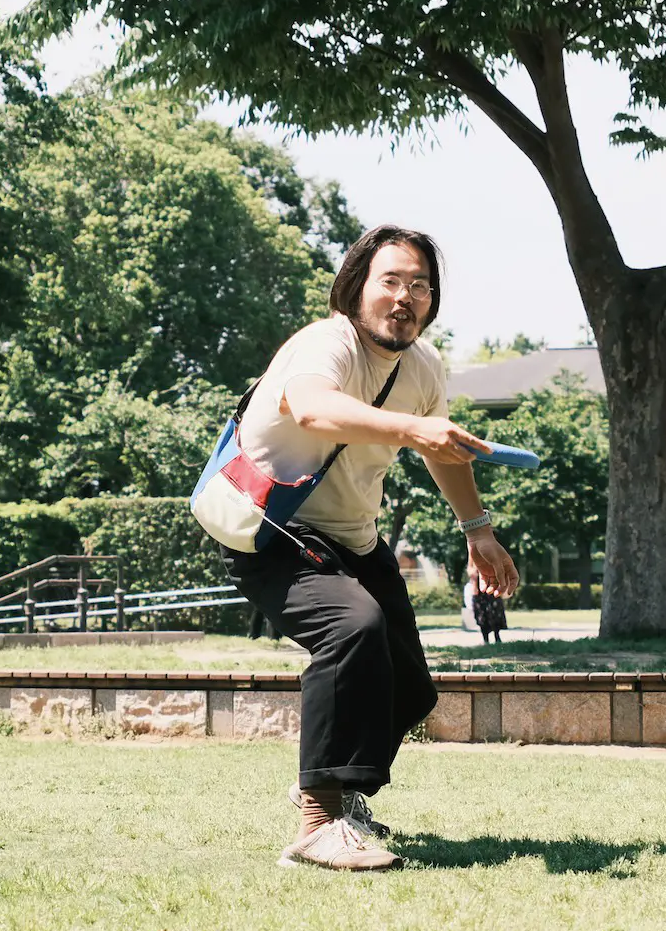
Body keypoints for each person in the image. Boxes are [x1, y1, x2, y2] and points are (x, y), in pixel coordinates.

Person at [215, 224, 518, 872]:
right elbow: (316, 409)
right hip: (275, 534)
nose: (405, 296)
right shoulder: (327, 346)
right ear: (357, 287)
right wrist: (413, 428)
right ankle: (316, 823)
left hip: (354, 540)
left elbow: (444, 454)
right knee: (354, 630)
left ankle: (338, 793)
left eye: (420, 285)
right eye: (391, 281)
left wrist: (478, 531)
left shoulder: (424, 367)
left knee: (408, 688)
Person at [469, 573, 507, 645]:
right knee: (482, 616)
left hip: (492, 589)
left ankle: (496, 637)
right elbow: (471, 571)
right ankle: (487, 639)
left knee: (496, 615)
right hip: (481, 592)